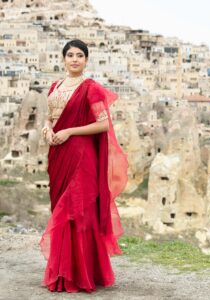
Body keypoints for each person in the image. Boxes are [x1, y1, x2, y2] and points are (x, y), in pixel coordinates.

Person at [39, 39, 128, 293]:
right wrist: (48, 129)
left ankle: (80, 275)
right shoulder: (55, 86)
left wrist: (69, 131)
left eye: (80, 55)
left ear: (86, 60)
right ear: (63, 59)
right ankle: (62, 272)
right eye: (70, 55)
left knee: (77, 211)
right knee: (60, 210)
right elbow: (49, 116)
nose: (75, 59)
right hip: (58, 153)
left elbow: (102, 124)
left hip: (81, 156)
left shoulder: (91, 88)